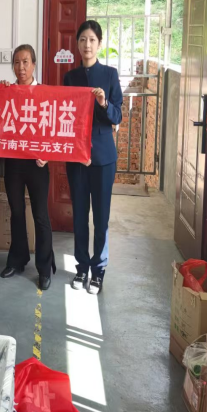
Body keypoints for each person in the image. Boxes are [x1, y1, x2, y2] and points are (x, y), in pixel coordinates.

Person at [64, 19, 123, 295]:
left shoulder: (110, 75)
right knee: (79, 216)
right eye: (82, 40)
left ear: (99, 44)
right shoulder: (70, 77)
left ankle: (98, 271)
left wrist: (103, 103)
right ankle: (81, 267)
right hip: (76, 157)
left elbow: (117, 115)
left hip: (102, 157)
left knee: (100, 218)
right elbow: (63, 117)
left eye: (92, 40)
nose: (87, 45)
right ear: (77, 44)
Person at [0, 44, 55, 291]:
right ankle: (17, 260)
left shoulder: (44, 93)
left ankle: (44, 268)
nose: (21, 67)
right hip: (13, 161)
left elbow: (53, 126)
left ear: (33, 65)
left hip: (37, 163)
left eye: (25, 62)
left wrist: (48, 154)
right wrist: (0, 93)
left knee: (40, 215)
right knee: (17, 212)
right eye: (17, 62)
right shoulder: (7, 92)